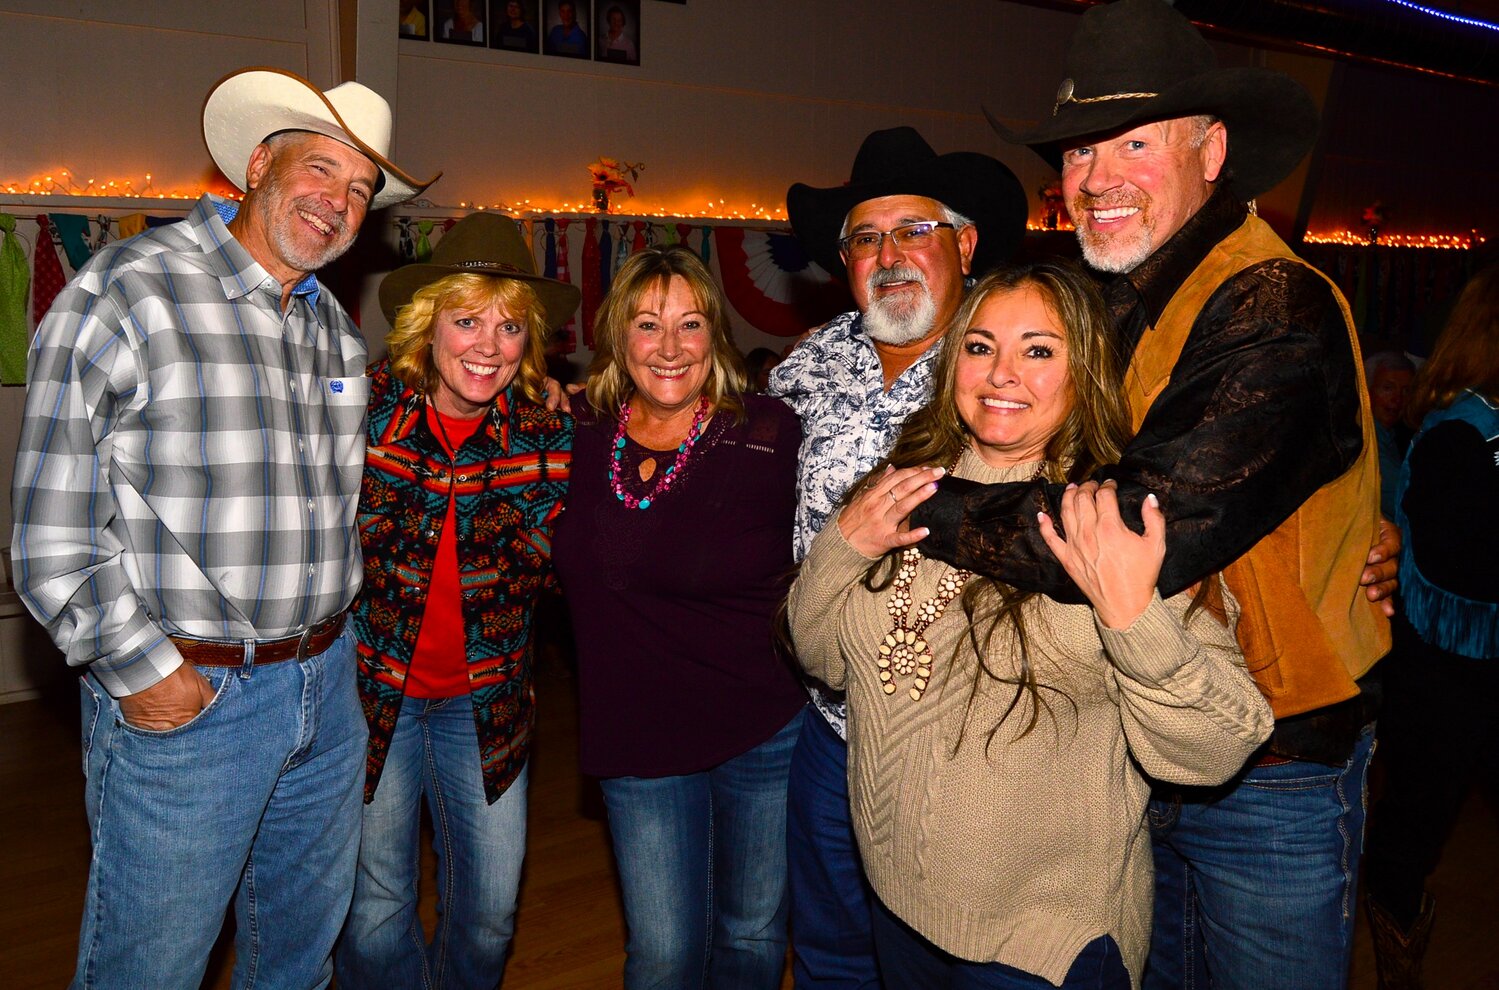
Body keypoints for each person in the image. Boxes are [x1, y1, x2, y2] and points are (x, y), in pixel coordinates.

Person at [909, 2, 1396, 986]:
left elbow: (1135, 531)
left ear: (1209, 151)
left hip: (1272, 766)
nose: (1095, 180)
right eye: (1079, 154)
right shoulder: (1120, 299)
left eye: (1131, 143)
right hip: (1136, 745)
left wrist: (917, 513)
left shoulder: (1270, 301)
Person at [10, 67, 436, 988]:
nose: (338, 201)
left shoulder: (330, 328)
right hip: (192, 698)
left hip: (325, 689)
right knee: (149, 971)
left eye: (361, 190)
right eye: (321, 170)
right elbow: (51, 537)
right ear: (256, 166)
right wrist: (143, 672)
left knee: (296, 965)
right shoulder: (128, 290)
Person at [790, 260, 1274, 989]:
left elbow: (1212, 749)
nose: (1000, 373)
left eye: (1038, 350)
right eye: (980, 347)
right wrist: (840, 547)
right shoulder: (903, 485)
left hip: (1044, 944)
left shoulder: (1116, 519)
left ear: (1084, 373)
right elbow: (823, 658)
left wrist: (1131, 615)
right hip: (896, 903)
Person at [769, 126, 1027, 987]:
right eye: (866, 238)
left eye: (912, 231)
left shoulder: (1011, 358)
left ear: (963, 244)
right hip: (828, 725)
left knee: (927, 957)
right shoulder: (810, 362)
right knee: (832, 951)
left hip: (953, 740)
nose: (889, 255)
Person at [551, 246, 808, 989]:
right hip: (636, 731)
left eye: (690, 324)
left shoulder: (769, 432)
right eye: (647, 324)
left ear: (715, 337)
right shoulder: (575, 428)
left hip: (760, 726)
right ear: (615, 336)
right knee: (663, 955)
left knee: (753, 936)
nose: (669, 347)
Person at [334, 214, 578, 989]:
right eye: (466, 319)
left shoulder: (551, 434)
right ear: (425, 325)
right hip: (373, 702)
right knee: (374, 914)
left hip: (491, 710)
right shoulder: (362, 414)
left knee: (491, 912)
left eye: (509, 327)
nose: (487, 345)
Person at [1363, 264, 1499, 990]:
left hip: (1478, 662)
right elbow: (1456, 559)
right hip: (1444, 666)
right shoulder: (1461, 430)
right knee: (1413, 824)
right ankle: (1395, 962)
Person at [1365, 350, 1417, 517]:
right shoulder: (1365, 439)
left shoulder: (1394, 435)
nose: (1397, 399)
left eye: (1406, 391)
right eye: (1388, 388)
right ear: (1367, 390)